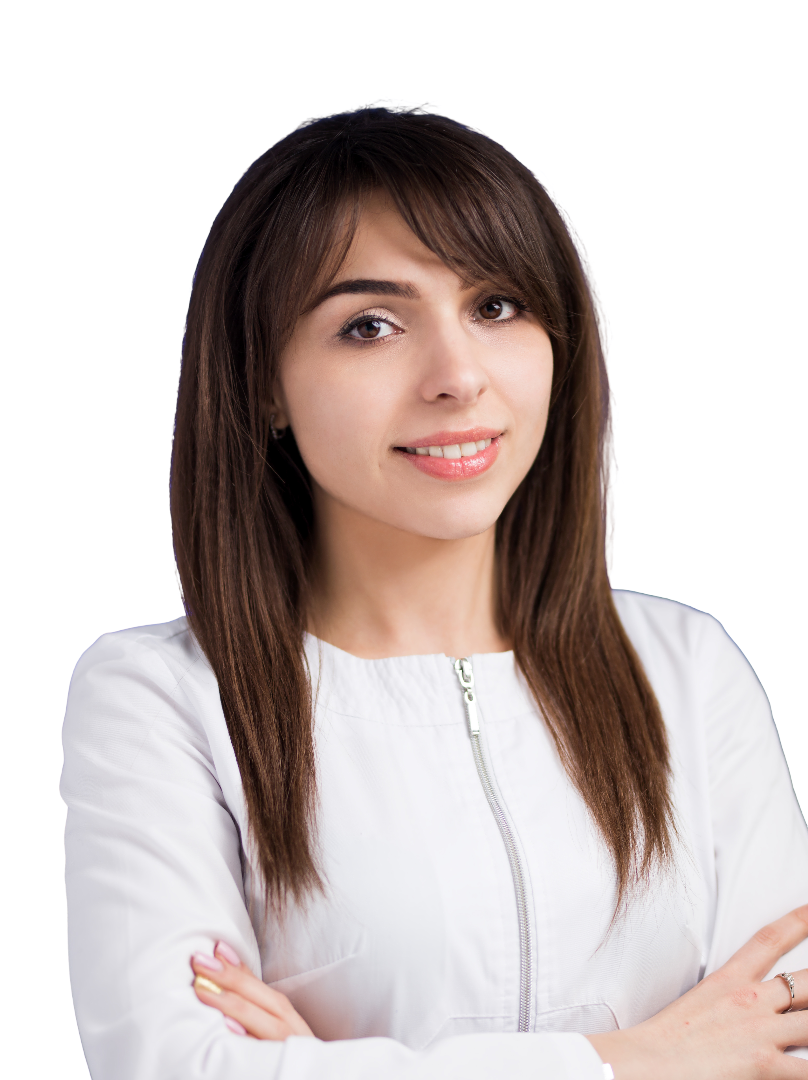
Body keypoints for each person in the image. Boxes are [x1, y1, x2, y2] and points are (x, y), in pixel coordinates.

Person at [61, 107, 808, 1080]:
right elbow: (176, 1067)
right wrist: (636, 1062)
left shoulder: (687, 672)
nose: (458, 377)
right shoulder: (163, 699)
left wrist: (330, 1066)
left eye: (496, 306)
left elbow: (780, 1045)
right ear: (263, 383)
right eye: (369, 326)